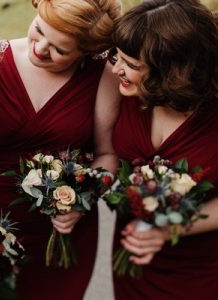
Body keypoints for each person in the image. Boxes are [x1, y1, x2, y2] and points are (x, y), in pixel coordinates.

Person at [0, 0, 122, 299]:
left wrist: (80, 203)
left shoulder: (103, 73)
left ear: (86, 51)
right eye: (39, 30)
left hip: (62, 233)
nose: (40, 48)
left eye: (60, 50)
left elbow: (107, 154)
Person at [109, 0, 218, 298]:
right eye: (115, 57)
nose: (116, 68)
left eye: (131, 65)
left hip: (200, 269)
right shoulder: (123, 91)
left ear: (172, 72)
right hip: (133, 261)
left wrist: (172, 229)